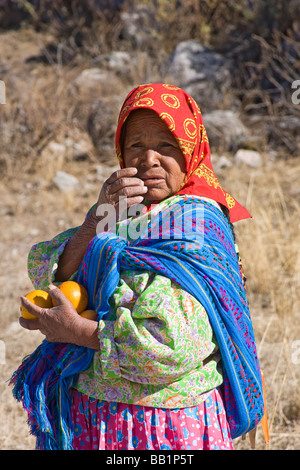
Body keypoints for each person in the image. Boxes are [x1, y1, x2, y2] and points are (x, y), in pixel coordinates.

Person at [10, 83, 264, 450]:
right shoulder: (121, 214)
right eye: (135, 146)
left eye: (166, 145)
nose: (149, 159)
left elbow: (172, 345)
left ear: (190, 151)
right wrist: (94, 223)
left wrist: (78, 331)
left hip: (160, 428)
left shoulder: (195, 226)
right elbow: (48, 266)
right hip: (96, 420)